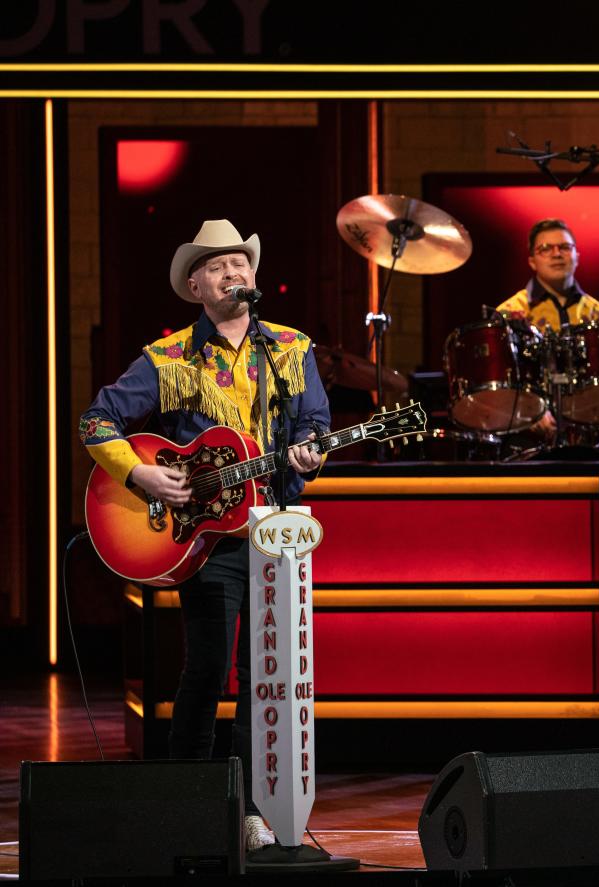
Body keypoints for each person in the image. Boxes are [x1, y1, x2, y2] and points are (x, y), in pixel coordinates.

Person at [79, 219, 330, 850]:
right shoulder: (167, 357)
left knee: (266, 673)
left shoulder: (291, 348)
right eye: (217, 267)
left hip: (274, 530)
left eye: (240, 264)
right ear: (195, 286)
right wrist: (143, 476)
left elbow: (316, 424)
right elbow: (95, 421)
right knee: (209, 668)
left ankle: (248, 806)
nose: (233, 274)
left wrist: (310, 454)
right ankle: (187, 795)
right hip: (203, 537)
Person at [496, 219, 599, 439]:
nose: (557, 254)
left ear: (577, 256)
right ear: (532, 261)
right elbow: (498, 382)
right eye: (545, 249)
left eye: (565, 247)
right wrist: (529, 410)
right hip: (525, 434)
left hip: (589, 429)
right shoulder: (510, 311)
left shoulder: (598, 313)